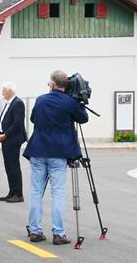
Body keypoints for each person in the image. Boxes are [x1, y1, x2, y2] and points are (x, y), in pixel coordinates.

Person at [24, 70, 89, 245]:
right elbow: (83, 118)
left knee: (36, 192)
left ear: (52, 84)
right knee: (58, 192)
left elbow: (33, 119)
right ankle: (58, 233)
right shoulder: (69, 102)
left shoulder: (41, 100)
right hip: (58, 153)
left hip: (38, 150)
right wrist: (80, 101)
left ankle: (35, 231)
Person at [0, 82, 27, 202]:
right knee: (8, 167)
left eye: (4, 91)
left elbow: (17, 123)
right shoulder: (9, 103)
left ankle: (18, 194)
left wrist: (5, 134)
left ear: (10, 91)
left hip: (13, 139)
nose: (2, 93)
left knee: (14, 166)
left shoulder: (18, 103)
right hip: (6, 140)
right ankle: (12, 191)